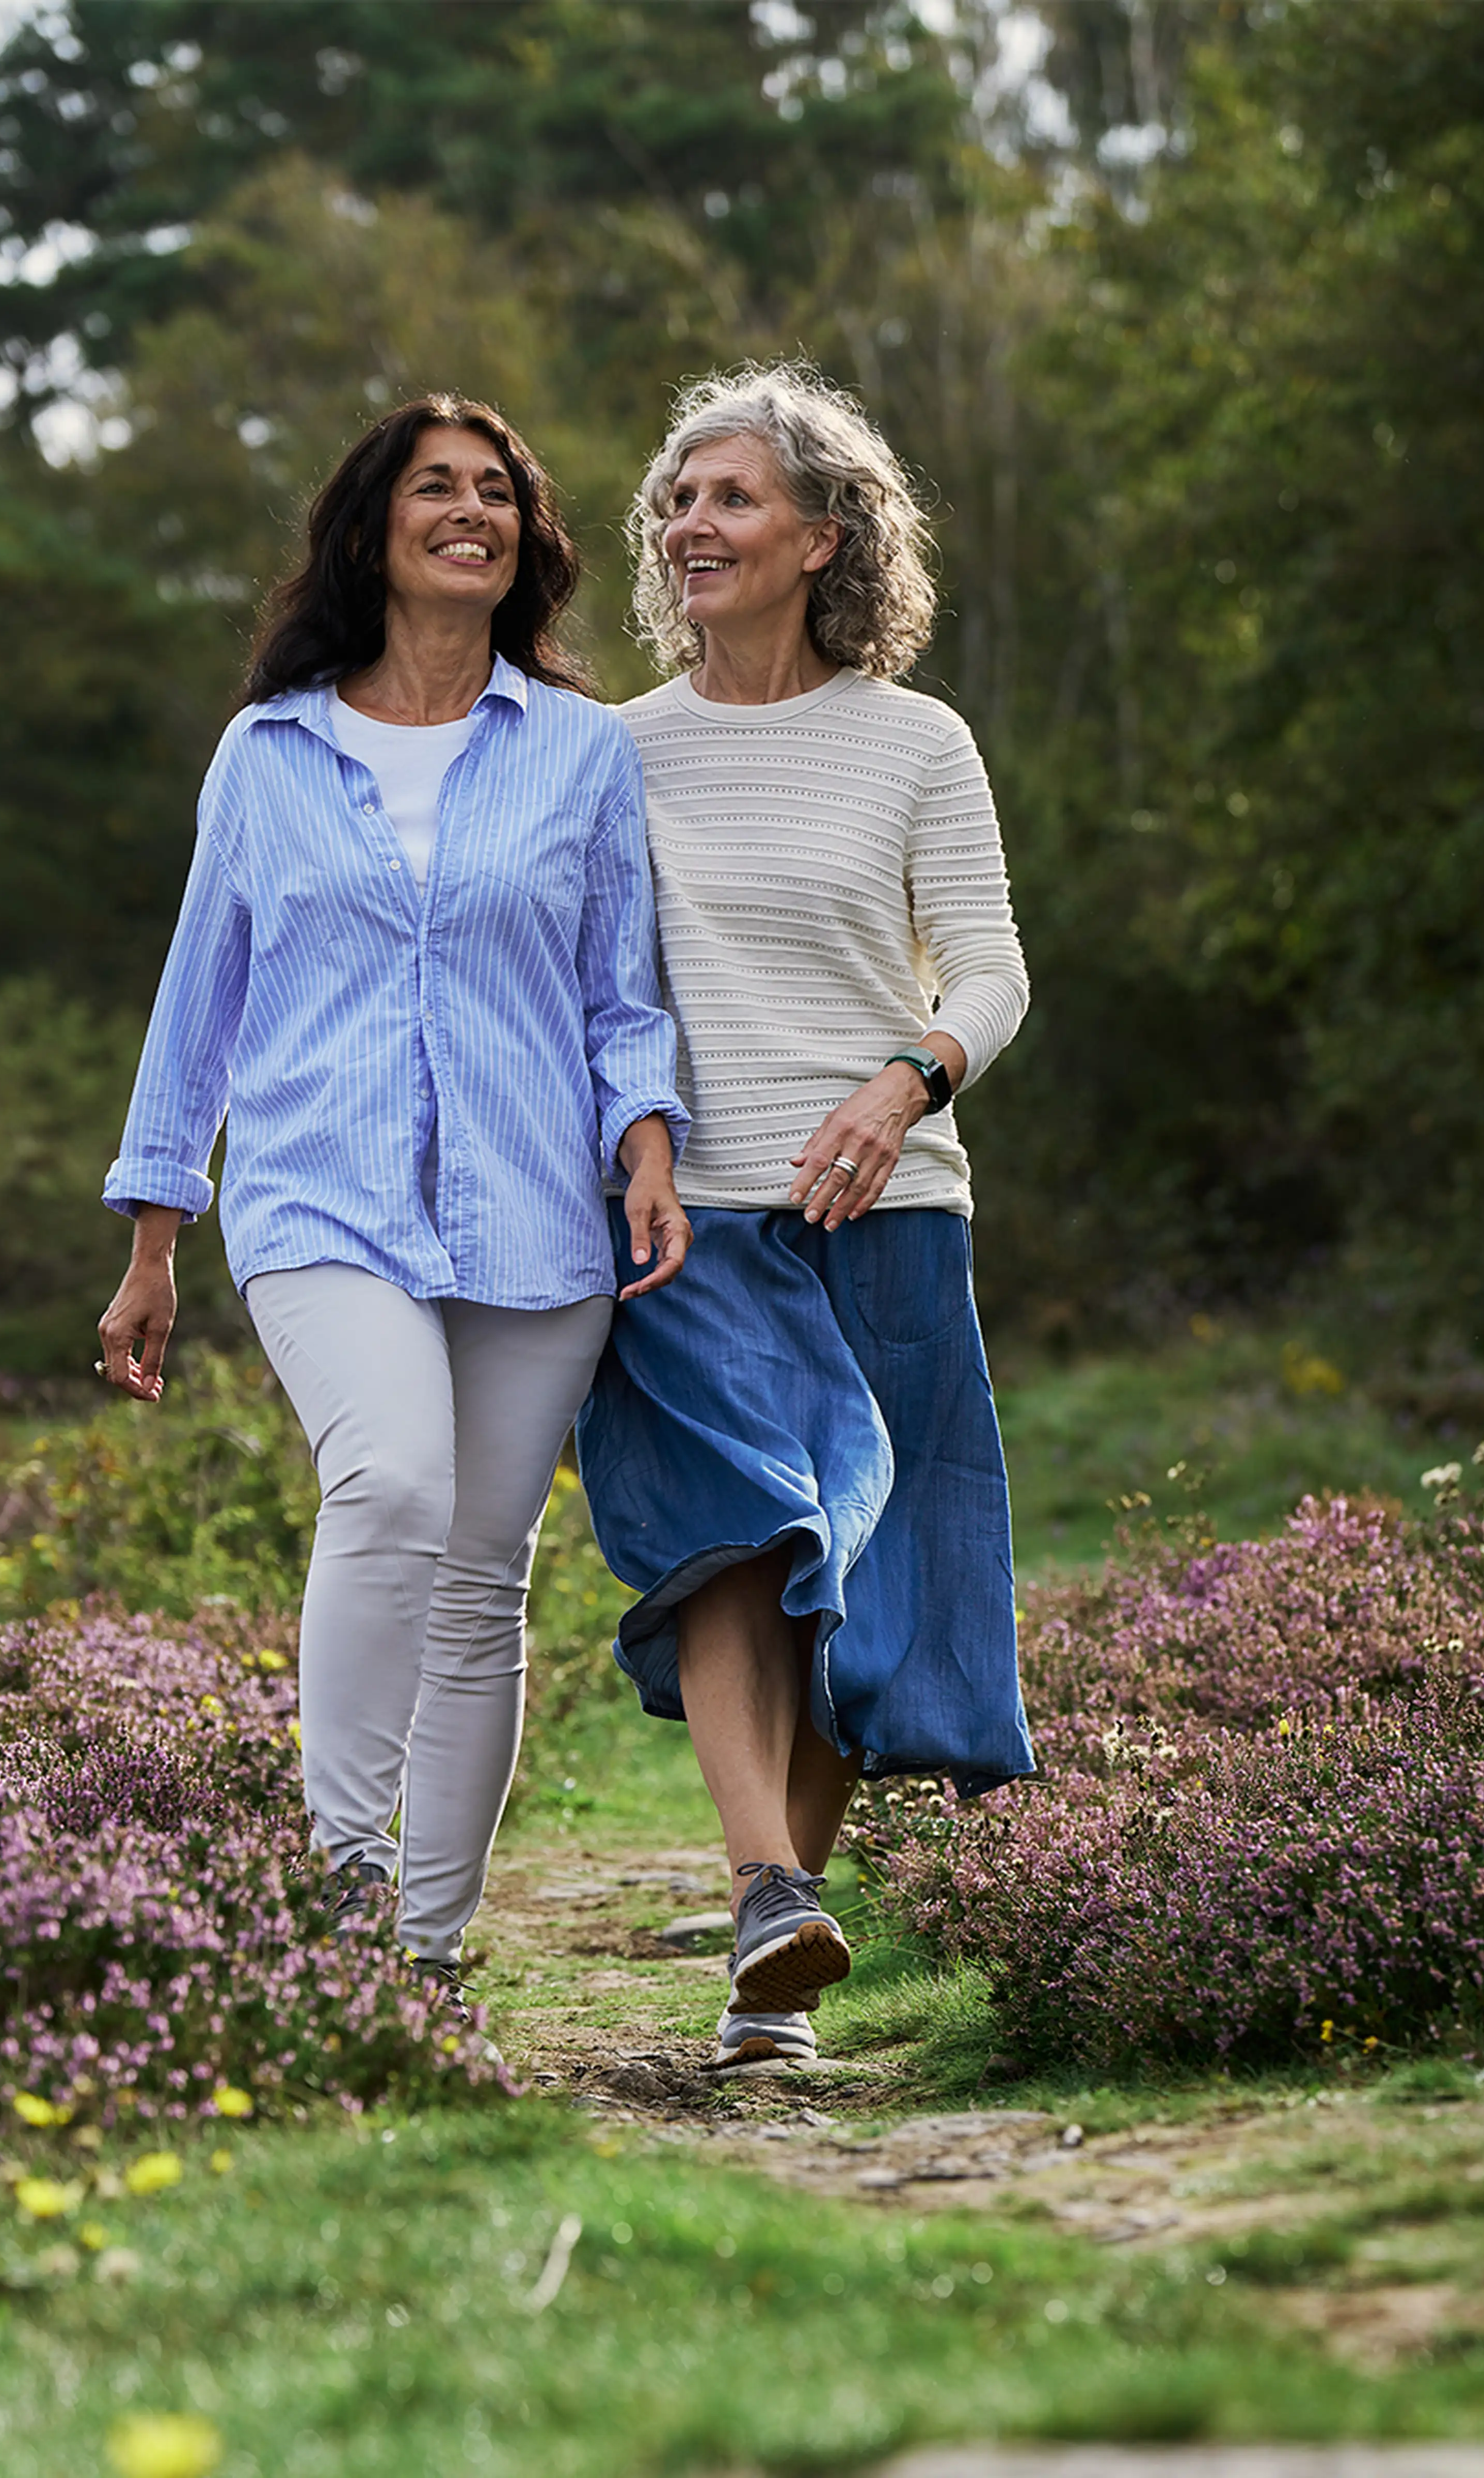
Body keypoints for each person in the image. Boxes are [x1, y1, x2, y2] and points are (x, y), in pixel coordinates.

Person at [97, 395, 690, 1981]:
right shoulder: (271, 751)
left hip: (535, 1208)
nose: (471, 512)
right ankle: (343, 1886)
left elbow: (620, 991)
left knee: (482, 1576)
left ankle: (419, 1964)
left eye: (498, 493)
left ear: (526, 541)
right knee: (393, 1489)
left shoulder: (579, 749)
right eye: (437, 487)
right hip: (317, 1199)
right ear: (372, 530)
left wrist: (648, 1143)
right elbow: (196, 997)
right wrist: (157, 1233)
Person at [577, 364, 1036, 2066]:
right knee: (739, 1529)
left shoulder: (918, 742)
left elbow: (989, 973)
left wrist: (906, 1079)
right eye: (677, 502)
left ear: (823, 538)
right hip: (681, 1210)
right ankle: (764, 1879)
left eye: (732, 498)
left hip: (886, 1207)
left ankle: (781, 1966)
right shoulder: (609, 751)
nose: (692, 525)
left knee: (848, 1570)